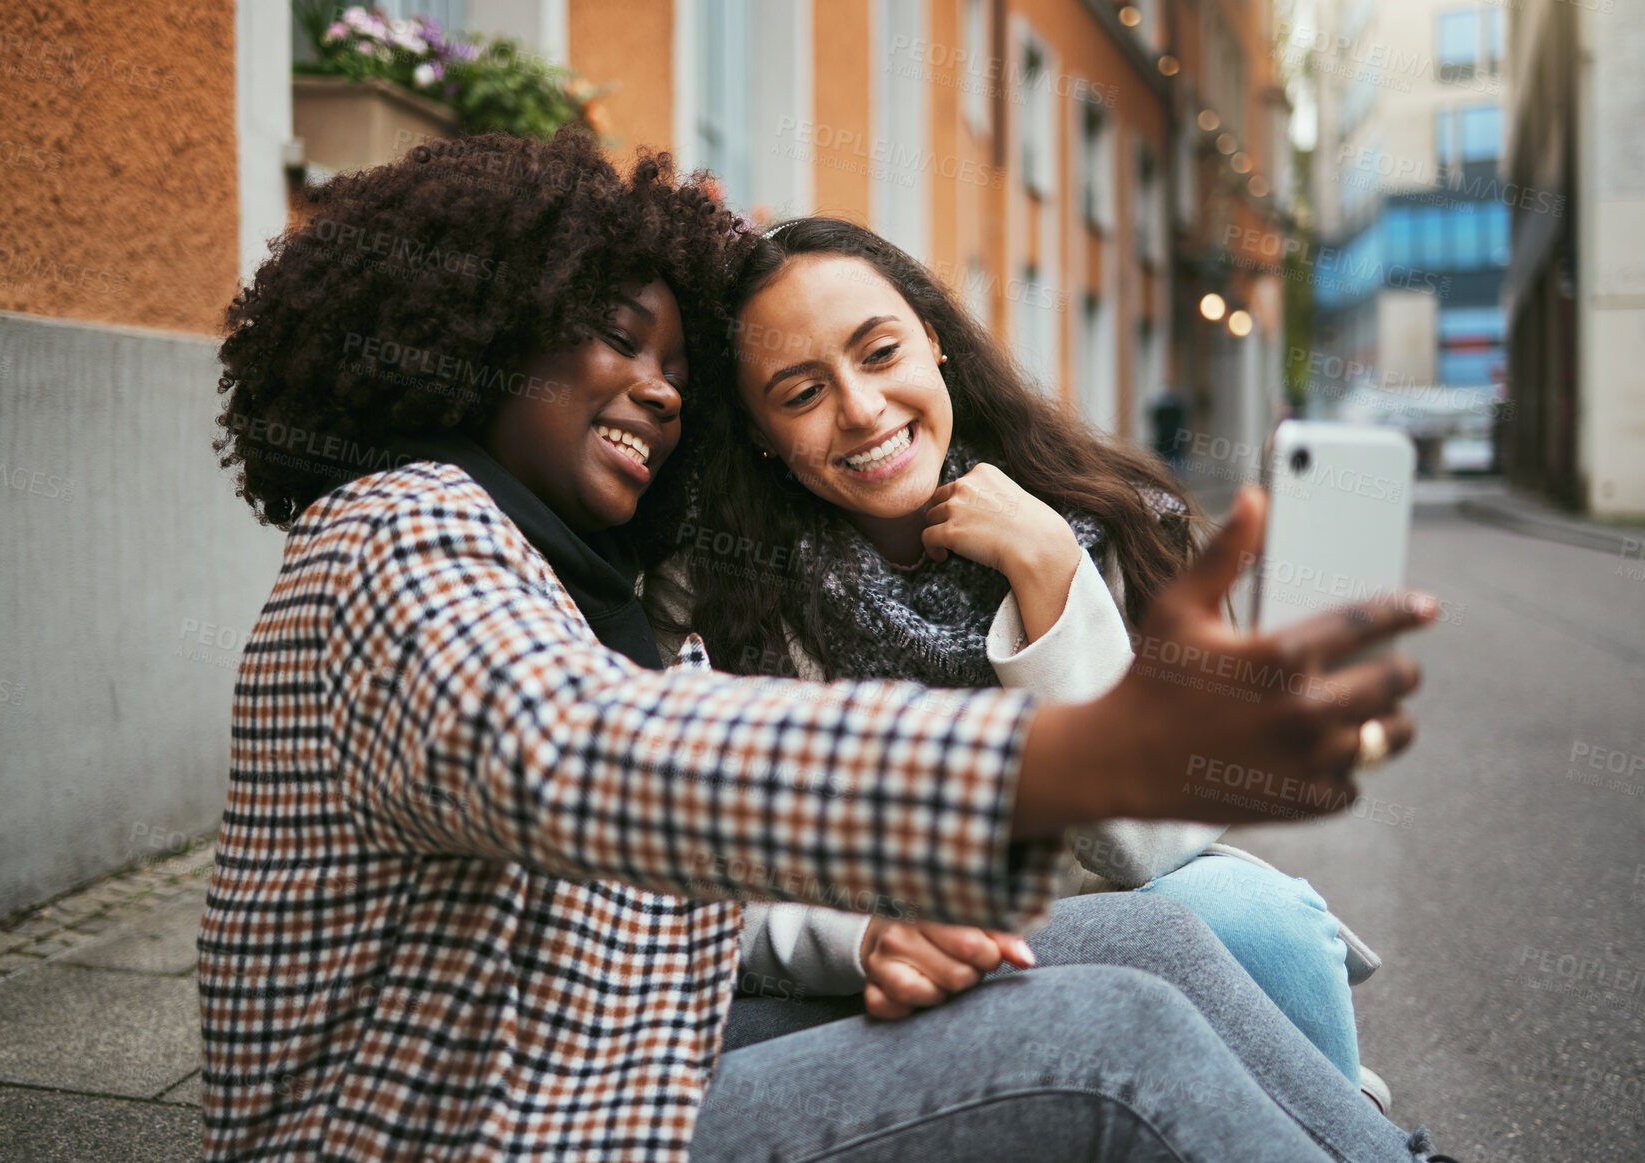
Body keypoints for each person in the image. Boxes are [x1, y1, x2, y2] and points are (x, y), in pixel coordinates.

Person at [201, 130, 1449, 1162]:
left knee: (1173, 930)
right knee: (1112, 1038)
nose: (660, 387)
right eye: (614, 338)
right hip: (476, 1119)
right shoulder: (405, 528)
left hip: (613, 1032)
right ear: (489, 330)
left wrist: (867, 930)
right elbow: (582, 756)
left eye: (677, 363)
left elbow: (1153, 857)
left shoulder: (562, 569)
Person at [655, 217, 1379, 1092]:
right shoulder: (714, 591)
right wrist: (858, 940)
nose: (861, 408)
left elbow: (1153, 843)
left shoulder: (1097, 521)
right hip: (876, 982)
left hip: (1086, 931)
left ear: (933, 339)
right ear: (762, 433)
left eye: (879, 353)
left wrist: (1050, 576)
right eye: (802, 393)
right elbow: (683, 874)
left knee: (1257, 916)